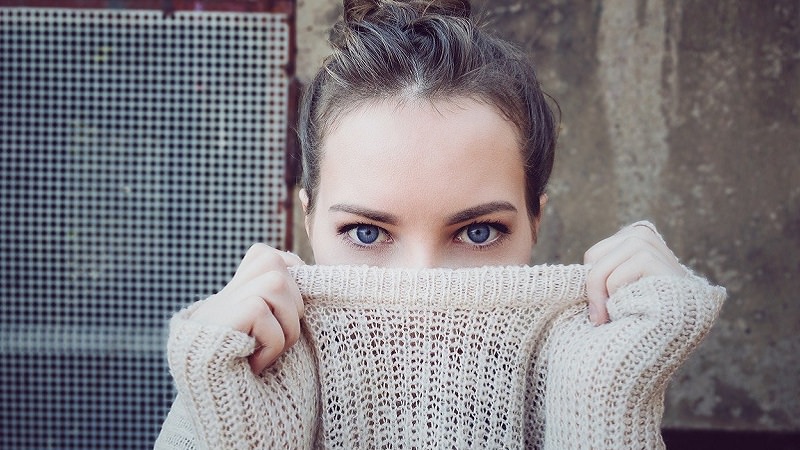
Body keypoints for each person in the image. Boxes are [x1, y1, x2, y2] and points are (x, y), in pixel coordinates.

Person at [158, 0, 701, 446]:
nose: (423, 286)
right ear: (308, 219)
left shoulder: (592, 378)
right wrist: (223, 419)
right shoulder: (238, 378)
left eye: (478, 232)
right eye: (367, 233)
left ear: (535, 220)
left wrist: (610, 412)